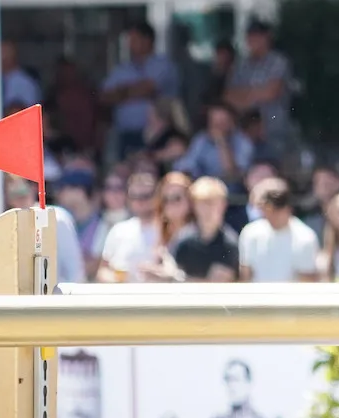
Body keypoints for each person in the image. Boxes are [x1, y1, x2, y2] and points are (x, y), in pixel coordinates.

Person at [101, 22, 179, 158]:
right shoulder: (122, 68)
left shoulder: (163, 65)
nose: (129, 44)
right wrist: (133, 90)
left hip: (157, 134)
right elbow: (104, 96)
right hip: (125, 134)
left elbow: (147, 89)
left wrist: (121, 92)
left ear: (147, 40)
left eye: (133, 39)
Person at [224, 19, 294, 148]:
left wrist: (244, 95)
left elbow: (271, 93)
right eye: (250, 36)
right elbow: (229, 96)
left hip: (273, 130)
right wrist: (258, 92)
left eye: (256, 36)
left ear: (266, 37)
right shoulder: (241, 65)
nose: (252, 41)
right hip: (245, 131)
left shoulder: (279, 62)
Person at [4, 176, 86, 284]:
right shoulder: (6, 224)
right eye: (14, 195)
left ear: (33, 188)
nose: (19, 200)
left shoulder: (57, 218)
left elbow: (75, 272)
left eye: (23, 193)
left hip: (57, 296)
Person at [238, 179, 321, 282]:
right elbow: (245, 276)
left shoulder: (305, 237)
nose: (270, 215)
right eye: (266, 210)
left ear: (288, 209)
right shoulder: (250, 233)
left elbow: (307, 283)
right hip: (256, 297)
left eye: (275, 211)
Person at [97, 172, 164, 283]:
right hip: (123, 298)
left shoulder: (166, 230)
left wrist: (159, 273)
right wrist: (115, 280)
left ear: (157, 197)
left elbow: (178, 272)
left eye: (145, 196)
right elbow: (102, 271)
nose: (140, 202)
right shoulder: (118, 230)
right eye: (134, 197)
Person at [172, 176, 240, 282]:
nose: (207, 209)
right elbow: (174, 272)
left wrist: (180, 278)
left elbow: (217, 285)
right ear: (194, 205)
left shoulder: (230, 243)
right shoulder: (184, 240)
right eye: (202, 203)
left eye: (212, 203)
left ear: (223, 204)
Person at [175, 103, 253, 186]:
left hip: (233, 192)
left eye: (222, 123)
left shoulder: (243, 142)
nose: (217, 128)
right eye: (214, 123)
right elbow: (186, 165)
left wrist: (222, 142)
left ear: (232, 122)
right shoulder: (202, 139)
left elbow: (232, 175)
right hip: (203, 188)